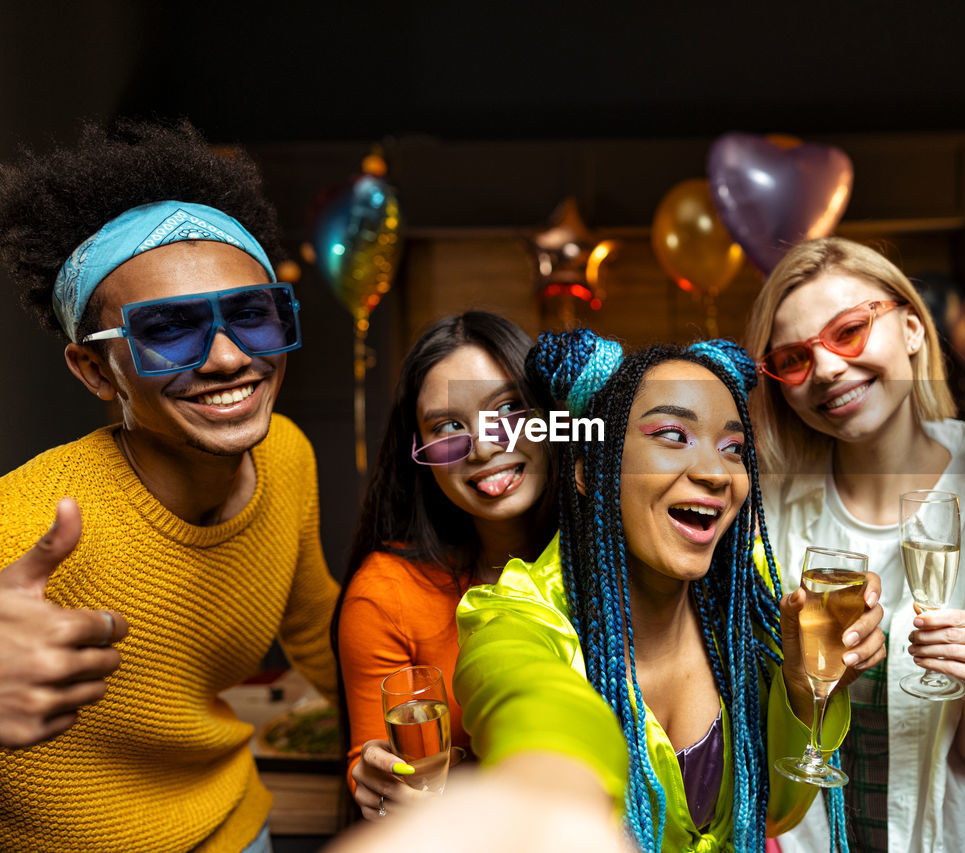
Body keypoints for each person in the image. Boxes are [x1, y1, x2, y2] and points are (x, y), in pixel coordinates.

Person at [0, 120, 338, 853]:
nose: (226, 358)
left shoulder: (287, 454)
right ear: (94, 371)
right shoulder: (25, 516)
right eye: (170, 330)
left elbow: (319, 628)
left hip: (239, 829)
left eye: (251, 315)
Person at [451, 330, 888, 853]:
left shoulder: (743, 602)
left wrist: (802, 683)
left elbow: (772, 813)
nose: (715, 473)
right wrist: (553, 773)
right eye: (672, 435)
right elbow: (526, 699)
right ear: (592, 469)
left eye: (732, 449)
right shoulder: (515, 616)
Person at [742, 237, 965, 853]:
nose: (824, 369)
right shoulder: (759, 521)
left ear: (909, 330)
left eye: (847, 332)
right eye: (793, 359)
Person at [334, 311, 555, 819]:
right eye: (449, 426)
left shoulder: (618, 560)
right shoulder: (388, 593)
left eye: (510, 408)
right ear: (420, 453)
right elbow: (372, 763)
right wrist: (378, 784)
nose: (482, 446)